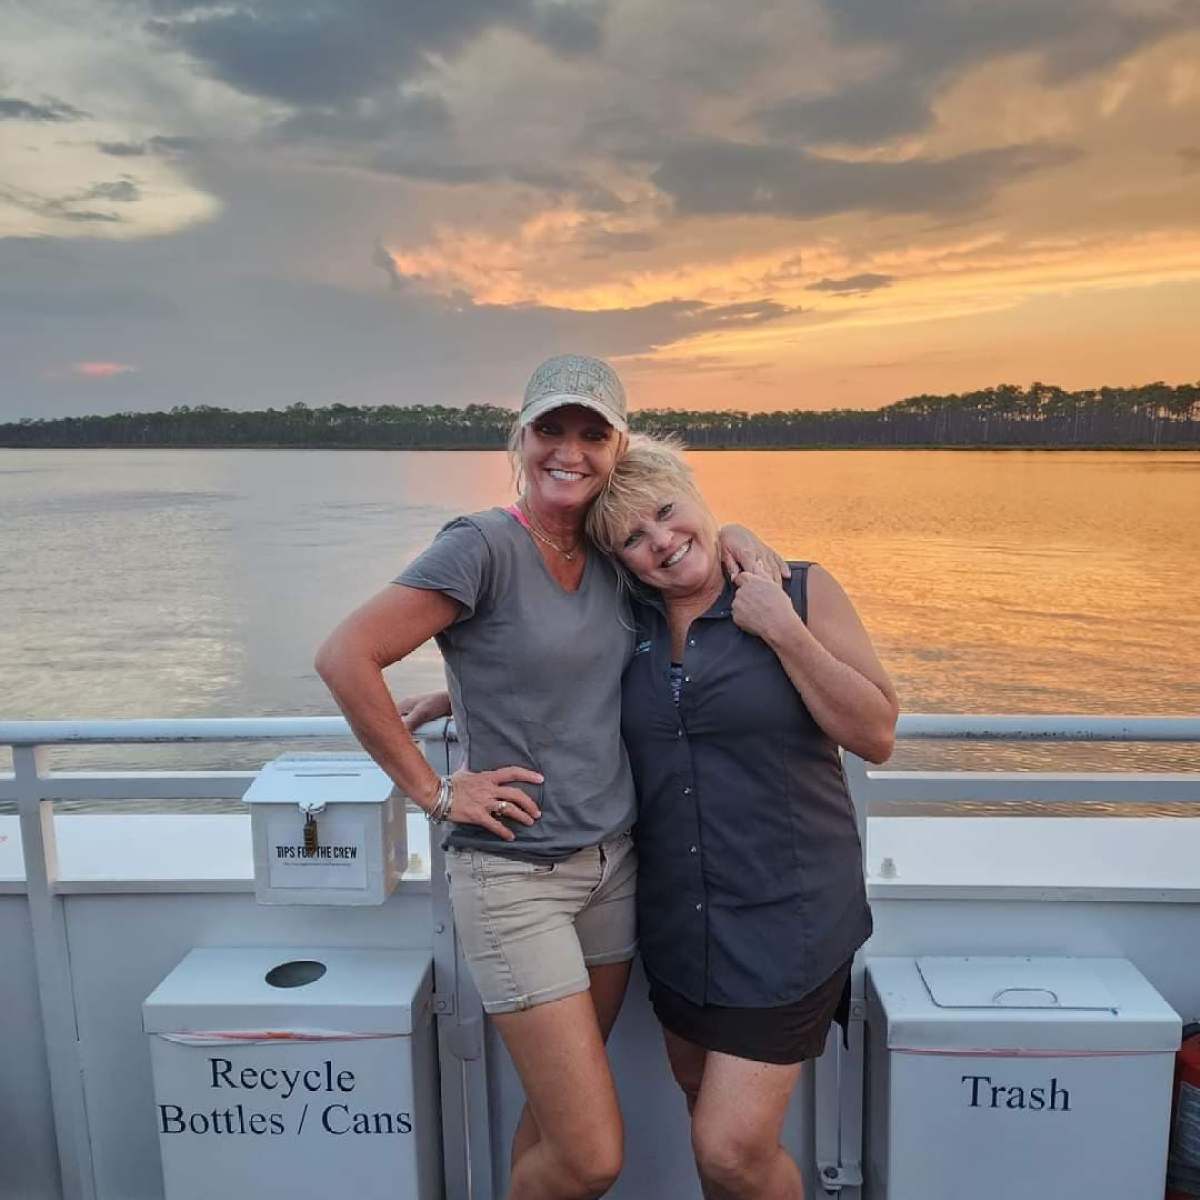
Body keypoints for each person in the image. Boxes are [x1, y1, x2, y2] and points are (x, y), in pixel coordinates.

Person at [314, 355, 784, 1200]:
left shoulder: (609, 551)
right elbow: (345, 655)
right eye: (552, 430)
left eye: (592, 435)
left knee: (552, 1125)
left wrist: (743, 540)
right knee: (591, 1155)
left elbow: (568, 657)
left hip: (613, 868)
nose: (570, 451)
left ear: (618, 449)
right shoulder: (480, 545)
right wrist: (436, 789)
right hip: (514, 881)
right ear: (521, 439)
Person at [586, 435, 898, 1200]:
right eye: (634, 537)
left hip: (786, 922)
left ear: (695, 496)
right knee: (704, 1118)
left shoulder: (795, 589)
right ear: (620, 560)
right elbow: (540, 664)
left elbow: (876, 732)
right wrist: (460, 697)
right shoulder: (626, 627)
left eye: (666, 513)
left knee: (730, 1149)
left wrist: (781, 631)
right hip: (678, 924)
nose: (660, 541)